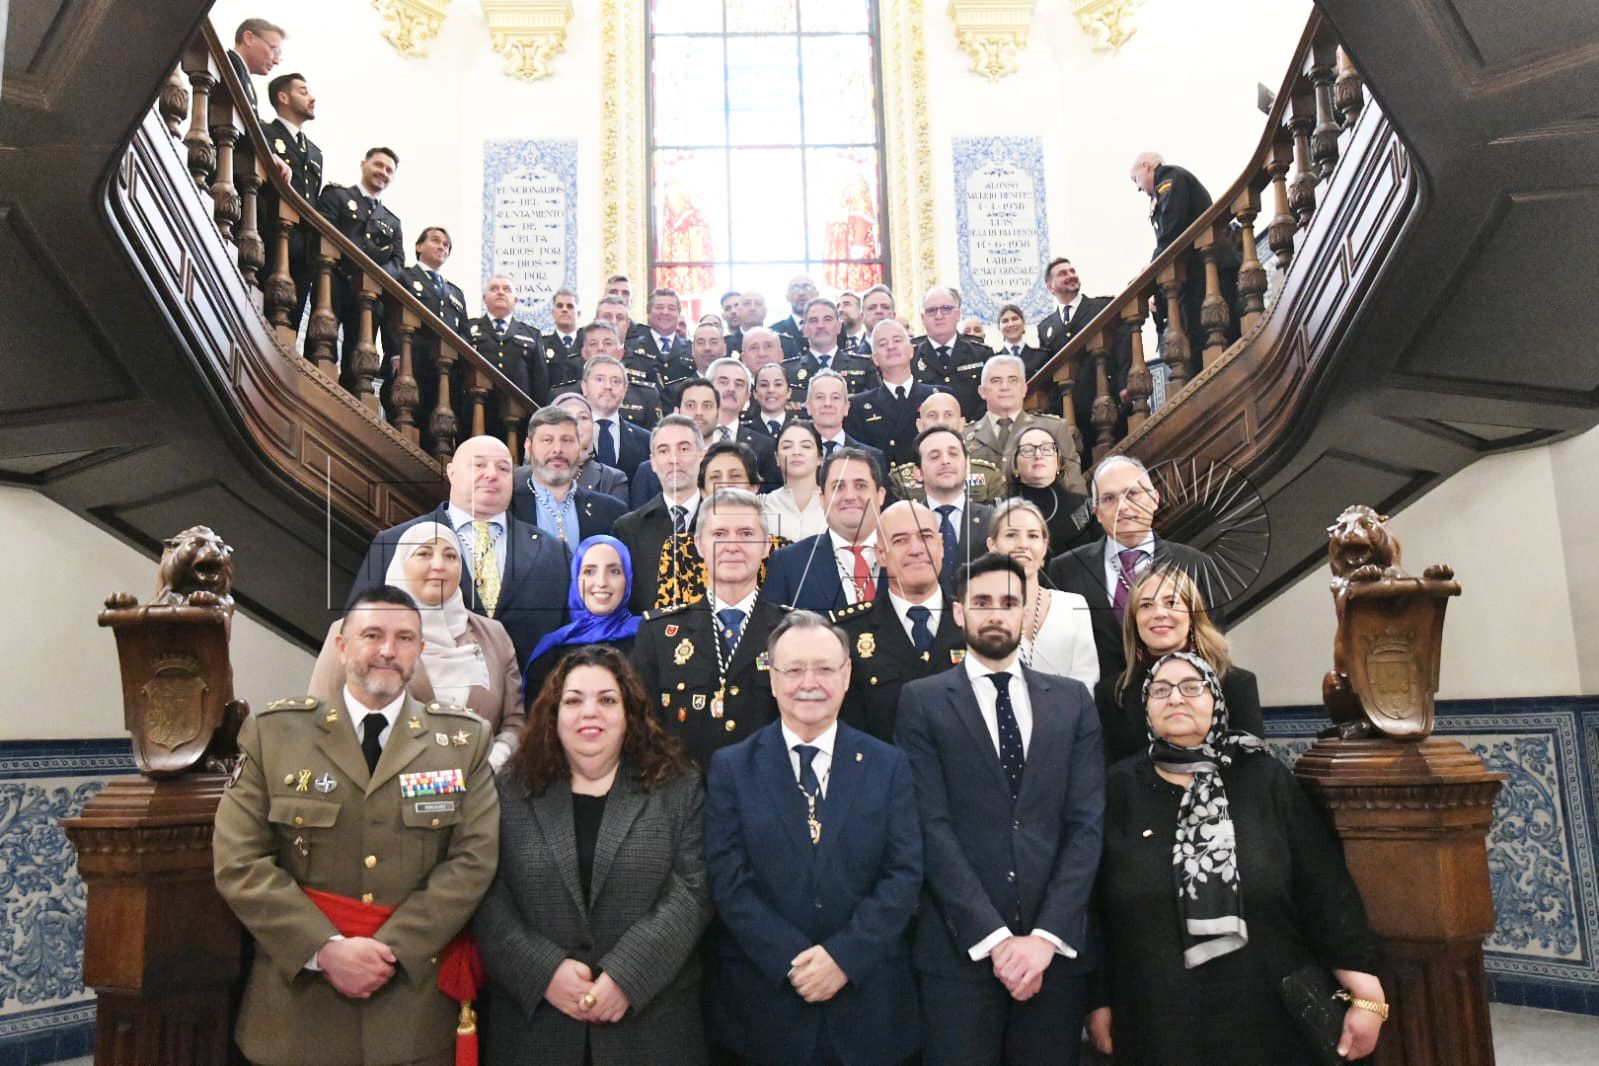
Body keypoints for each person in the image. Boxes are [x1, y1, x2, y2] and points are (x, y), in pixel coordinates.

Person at [214, 585, 499, 1066]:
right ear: (343, 646)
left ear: (420, 651)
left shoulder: (461, 743)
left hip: (410, 1015)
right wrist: (323, 950)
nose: (388, 651)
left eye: (405, 638)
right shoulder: (275, 735)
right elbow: (239, 861)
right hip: (296, 1016)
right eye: (372, 635)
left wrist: (390, 950)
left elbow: (473, 861)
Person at [1087, 652, 1385, 1064]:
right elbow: (1094, 907)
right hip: (1158, 1019)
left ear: (1217, 702)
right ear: (1146, 707)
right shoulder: (1118, 788)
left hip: (1266, 1013)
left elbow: (1323, 888)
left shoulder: (1263, 778)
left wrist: (1366, 992)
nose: (1175, 699)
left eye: (1192, 687)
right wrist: (1097, 1001)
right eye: (1160, 690)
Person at [896, 553, 1104, 1066]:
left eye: (1008, 603)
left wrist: (1043, 940)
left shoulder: (1073, 701)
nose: (995, 614)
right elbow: (930, 826)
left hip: (1053, 954)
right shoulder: (921, 702)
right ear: (958, 612)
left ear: (1025, 609)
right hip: (959, 955)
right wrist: (993, 940)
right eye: (981, 603)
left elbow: (1085, 826)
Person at [704, 611, 924, 1065]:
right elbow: (729, 880)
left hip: (869, 1011)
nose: (810, 682)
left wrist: (843, 958)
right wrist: (795, 963)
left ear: (846, 675)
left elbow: (903, 875)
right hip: (764, 1014)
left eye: (825, 668)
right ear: (771, 676)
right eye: (794, 669)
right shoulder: (731, 768)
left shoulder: (888, 766)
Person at [474, 645, 712, 1065]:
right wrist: (543, 972)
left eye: (607, 700)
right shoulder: (508, 789)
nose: (590, 713)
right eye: (573, 700)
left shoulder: (678, 785)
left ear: (630, 713)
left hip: (651, 1029)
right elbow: (484, 892)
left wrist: (627, 977)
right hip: (536, 1031)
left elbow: (693, 890)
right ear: (552, 713)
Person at [310, 522, 525, 769]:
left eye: (450, 556)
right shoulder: (352, 630)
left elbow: (515, 722)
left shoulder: (494, 635)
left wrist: (492, 762)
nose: (439, 565)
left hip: (475, 798)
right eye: (424, 553)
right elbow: (321, 716)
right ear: (401, 563)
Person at [349, 435, 571, 671]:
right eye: (479, 465)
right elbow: (357, 628)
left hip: (527, 701)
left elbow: (568, 639)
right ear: (451, 472)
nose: (491, 474)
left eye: (503, 468)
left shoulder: (554, 553)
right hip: (424, 698)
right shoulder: (396, 543)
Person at [634, 488, 785, 768]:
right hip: (684, 797)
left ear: (766, 546)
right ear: (699, 544)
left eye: (745, 534)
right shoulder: (659, 633)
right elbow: (644, 729)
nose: (732, 546)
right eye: (719, 534)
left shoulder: (792, 632)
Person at [1047, 455, 1216, 688]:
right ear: (1095, 511)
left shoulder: (1196, 565)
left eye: (1133, 494)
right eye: (1109, 498)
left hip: (1177, 703)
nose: (1123, 507)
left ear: (1155, 499)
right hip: (1098, 710)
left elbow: (1211, 643)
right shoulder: (1064, 570)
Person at [1095, 565, 1263, 764]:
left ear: (1192, 615)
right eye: (1146, 605)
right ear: (1134, 621)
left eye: (1171, 602)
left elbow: (1253, 767)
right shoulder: (1113, 694)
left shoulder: (1236, 683)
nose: (1159, 613)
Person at [833, 500, 965, 741]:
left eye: (925, 536)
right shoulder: (848, 633)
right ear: (881, 555)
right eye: (900, 540)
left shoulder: (973, 623)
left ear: (941, 546)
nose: (916, 549)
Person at [1131, 153, 1240, 375]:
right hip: (1198, 274)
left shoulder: (1170, 177)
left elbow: (1172, 231)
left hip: (1208, 270)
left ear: (1146, 166)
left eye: (1136, 180)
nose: (1138, 189)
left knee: (1220, 338)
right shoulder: (1167, 183)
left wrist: (1151, 269)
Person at [316, 147, 404, 394]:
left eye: (389, 170)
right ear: (363, 164)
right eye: (378, 165)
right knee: (322, 344)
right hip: (334, 280)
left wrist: (373, 277)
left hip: (368, 294)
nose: (383, 173)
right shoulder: (337, 196)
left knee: (357, 356)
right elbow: (323, 233)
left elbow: (398, 262)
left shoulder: (392, 222)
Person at [986, 498, 1098, 690]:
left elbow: (1085, 683)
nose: (1023, 544)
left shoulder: (1073, 606)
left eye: (1033, 536)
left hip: (1065, 717)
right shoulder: (977, 612)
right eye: (1011, 534)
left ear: (1044, 547)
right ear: (992, 545)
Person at [762, 448, 886, 614]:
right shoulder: (787, 563)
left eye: (860, 485)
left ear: (881, 495)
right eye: (838, 487)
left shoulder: (908, 553)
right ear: (822, 499)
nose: (850, 496)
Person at [520, 535, 642, 696]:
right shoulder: (551, 650)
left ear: (628, 578)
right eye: (589, 571)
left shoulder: (648, 638)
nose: (601, 582)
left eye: (614, 571)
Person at [1034, 258, 1125, 463]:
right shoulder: (1046, 327)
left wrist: (1124, 383)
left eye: (1072, 270)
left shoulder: (1102, 306)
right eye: (1062, 273)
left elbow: (1123, 345)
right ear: (1051, 287)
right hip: (1071, 411)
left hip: (1105, 401)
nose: (1070, 275)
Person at [614, 415, 705, 614]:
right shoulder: (628, 529)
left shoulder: (724, 523)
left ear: (701, 455)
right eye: (664, 451)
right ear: (653, 462)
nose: (674, 460)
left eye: (684, 449)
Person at [380, 226, 468, 433]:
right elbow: (390, 316)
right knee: (405, 426)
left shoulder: (455, 292)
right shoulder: (404, 277)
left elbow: (463, 334)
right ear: (419, 246)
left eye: (447, 245)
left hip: (443, 373)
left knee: (436, 433)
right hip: (411, 363)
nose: (442, 247)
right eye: (436, 241)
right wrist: (394, 353)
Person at [962, 354, 1087, 495]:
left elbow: (1075, 490)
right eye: (996, 381)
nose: (1005, 387)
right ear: (982, 391)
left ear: (1024, 389)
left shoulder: (1054, 429)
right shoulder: (964, 437)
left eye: (1013, 380)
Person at [509, 406, 628, 549]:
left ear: (579, 448)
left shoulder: (611, 511)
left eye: (567, 440)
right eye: (547, 440)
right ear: (529, 447)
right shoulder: (508, 508)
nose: (557, 449)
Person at [260, 72, 321, 328]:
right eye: (303, 91)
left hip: (302, 247)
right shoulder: (264, 131)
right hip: (270, 232)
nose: (312, 98)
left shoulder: (315, 152)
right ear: (283, 97)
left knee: (290, 323)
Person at [464, 275, 552, 438]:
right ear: (484, 298)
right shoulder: (469, 329)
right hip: (477, 412)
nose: (500, 292)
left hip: (520, 417)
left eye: (506, 289)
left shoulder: (531, 334)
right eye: (494, 288)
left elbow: (540, 381)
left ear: (515, 299)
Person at [844, 319, 937, 469]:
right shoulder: (858, 407)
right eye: (882, 344)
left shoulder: (937, 397)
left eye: (897, 340)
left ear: (911, 350)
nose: (891, 347)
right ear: (874, 358)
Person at [915, 425, 994, 589]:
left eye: (953, 454)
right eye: (934, 456)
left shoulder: (993, 522)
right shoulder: (907, 522)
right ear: (918, 473)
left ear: (968, 466)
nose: (945, 461)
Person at [1005, 424, 1094, 553]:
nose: (1038, 455)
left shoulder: (1084, 508)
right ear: (1015, 465)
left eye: (1047, 449)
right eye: (1028, 450)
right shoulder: (1000, 512)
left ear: (1058, 463)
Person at [912, 286, 989, 419]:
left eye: (946, 309)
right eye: (931, 310)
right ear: (923, 318)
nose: (939, 316)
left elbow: (989, 399)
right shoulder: (911, 358)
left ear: (958, 314)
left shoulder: (981, 354)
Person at [706, 357, 779, 485]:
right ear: (707, 389)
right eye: (723, 382)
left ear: (747, 397)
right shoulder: (691, 439)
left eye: (739, 384)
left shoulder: (766, 447)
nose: (731, 389)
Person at [580, 352, 652, 479]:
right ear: (584, 387)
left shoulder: (646, 440)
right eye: (600, 379)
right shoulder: (571, 435)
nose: (608, 386)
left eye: (616, 381)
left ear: (625, 390)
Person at [549, 392, 630, 502]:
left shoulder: (612, 480)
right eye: (567, 417)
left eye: (583, 417)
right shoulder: (527, 477)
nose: (576, 424)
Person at [804, 370, 887, 475]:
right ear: (808, 407)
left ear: (846, 408)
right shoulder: (794, 455)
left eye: (835, 397)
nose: (827, 403)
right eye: (820, 397)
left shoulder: (872, 457)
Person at [789, 298, 876, 394]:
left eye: (827, 319)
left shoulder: (864, 366)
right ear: (804, 329)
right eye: (814, 320)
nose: (820, 325)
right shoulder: (789, 371)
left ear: (839, 326)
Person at [764, 421, 828, 542]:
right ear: (777, 458)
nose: (796, 452)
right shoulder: (762, 505)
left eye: (806, 446)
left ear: (820, 457)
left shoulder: (834, 504)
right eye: (787, 447)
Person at [227, 18, 284, 116]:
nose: (276, 61)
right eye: (274, 50)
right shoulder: (229, 66)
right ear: (249, 39)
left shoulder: (241, 74)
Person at [745, 362, 798, 438]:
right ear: (755, 393)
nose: (771, 390)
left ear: (789, 392)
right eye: (764, 385)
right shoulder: (744, 430)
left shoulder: (801, 429)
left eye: (778, 384)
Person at [993, 303, 1042, 374]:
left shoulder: (1041, 356)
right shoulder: (994, 361)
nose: (1011, 324)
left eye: (1015, 319)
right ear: (999, 327)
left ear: (1023, 323)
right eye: (1005, 321)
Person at [543, 287, 580, 360]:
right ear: (553, 313)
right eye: (560, 306)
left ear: (578, 314)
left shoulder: (587, 344)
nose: (564, 309)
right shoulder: (542, 345)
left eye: (570, 306)